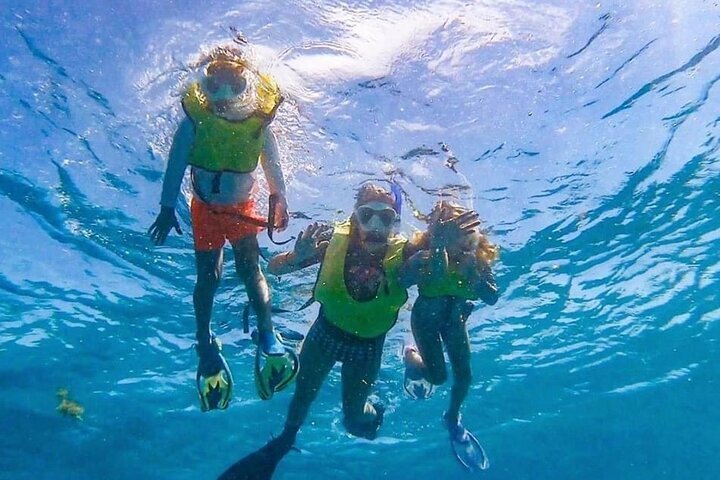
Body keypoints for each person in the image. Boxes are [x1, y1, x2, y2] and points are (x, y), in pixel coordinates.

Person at [217, 182, 421, 480]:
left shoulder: (405, 256)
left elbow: (441, 267)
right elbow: (274, 268)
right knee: (303, 394)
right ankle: (284, 442)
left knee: (355, 424)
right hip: (325, 332)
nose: (376, 226)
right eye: (367, 215)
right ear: (355, 219)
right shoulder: (330, 244)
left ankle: (376, 410)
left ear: (394, 222)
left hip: (367, 347)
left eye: (385, 218)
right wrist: (297, 257)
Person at [148, 48, 297, 411]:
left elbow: (273, 170)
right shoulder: (192, 123)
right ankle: (204, 339)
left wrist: (279, 199)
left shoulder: (259, 126)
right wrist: (167, 208)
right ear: (203, 86)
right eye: (215, 85)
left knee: (250, 269)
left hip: (242, 210)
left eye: (235, 84)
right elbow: (175, 166)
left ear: (247, 86)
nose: (225, 95)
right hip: (205, 211)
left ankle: (267, 332)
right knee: (208, 277)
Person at [399, 200, 499, 471]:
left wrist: (475, 277)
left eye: (470, 235)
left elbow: (492, 296)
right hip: (426, 322)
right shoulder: (428, 255)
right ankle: (411, 358)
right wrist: (439, 247)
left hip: (455, 322)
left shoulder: (476, 260)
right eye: (458, 236)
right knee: (439, 377)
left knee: (465, 376)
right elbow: (406, 280)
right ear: (440, 236)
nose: (466, 243)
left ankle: (452, 418)